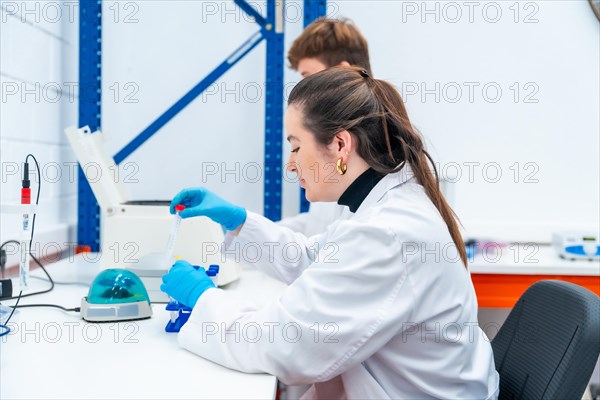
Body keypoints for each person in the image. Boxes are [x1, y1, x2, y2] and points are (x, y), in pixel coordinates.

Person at [161, 67, 499, 399]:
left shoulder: (388, 234)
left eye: (295, 146)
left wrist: (202, 298)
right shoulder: (385, 206)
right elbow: (314, 259)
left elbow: (286, 348)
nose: (291, 164)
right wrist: (238, 221)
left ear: (340, 145)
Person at [279, 17, 372, 236]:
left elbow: (338, 243)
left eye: (308, 77)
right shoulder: (331, 140)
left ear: (342, 72)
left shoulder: (370, 150)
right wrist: (244, 227)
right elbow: (319, 226)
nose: (305, 89)